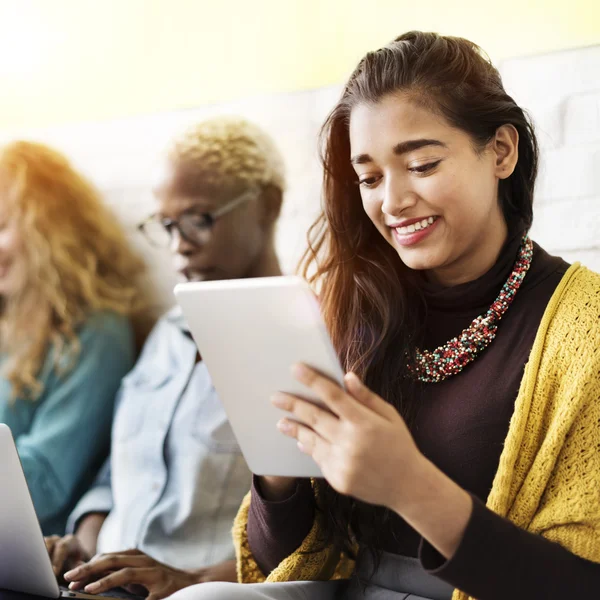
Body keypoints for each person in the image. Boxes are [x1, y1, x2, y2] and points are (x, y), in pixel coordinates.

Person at [167, 32, 600, 600]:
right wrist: (279, 471)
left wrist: (409, 485)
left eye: (420, 164)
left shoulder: (583, 326)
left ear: (501, 151)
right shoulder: (355, 306)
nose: (391, 202)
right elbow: (281, 567)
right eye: (369, 178)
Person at [45, 117, 287, 600]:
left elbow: (312, 536)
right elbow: (116, 476)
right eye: (167, 225)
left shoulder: (297, 340)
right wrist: (85, 553)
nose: (179, 247)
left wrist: (191, 582)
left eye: (200, 219)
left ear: (267, 205)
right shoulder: (169, 335)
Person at [0, 141, 147, 536]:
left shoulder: (96, 334)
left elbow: (45, 483)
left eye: (1, 226)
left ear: (50, 228)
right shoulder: (7, 321)